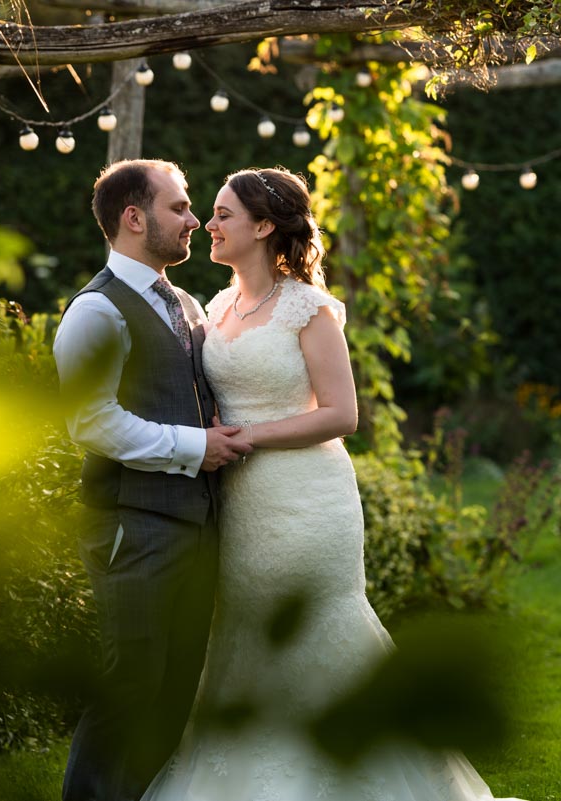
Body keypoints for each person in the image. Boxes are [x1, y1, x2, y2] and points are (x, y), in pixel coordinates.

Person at [138, 166, 525, 801]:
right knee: (241, 632)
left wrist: (249, 437)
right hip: (238, 503)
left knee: (319, 628)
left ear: (263, 227)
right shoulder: (215, 305)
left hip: (306, 499)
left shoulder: (308, 308)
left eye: (223, 214)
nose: (210, 224)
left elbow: (342, 414)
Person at [52, 159, 252, 801]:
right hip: (132, 528)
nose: (194, 220)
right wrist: (197, 445)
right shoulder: (95, 312)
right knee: (129, 687)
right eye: (179, 208)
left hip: (197, 527)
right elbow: (90, 422)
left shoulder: (187, 304)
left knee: (174, 694)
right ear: (133, 219)